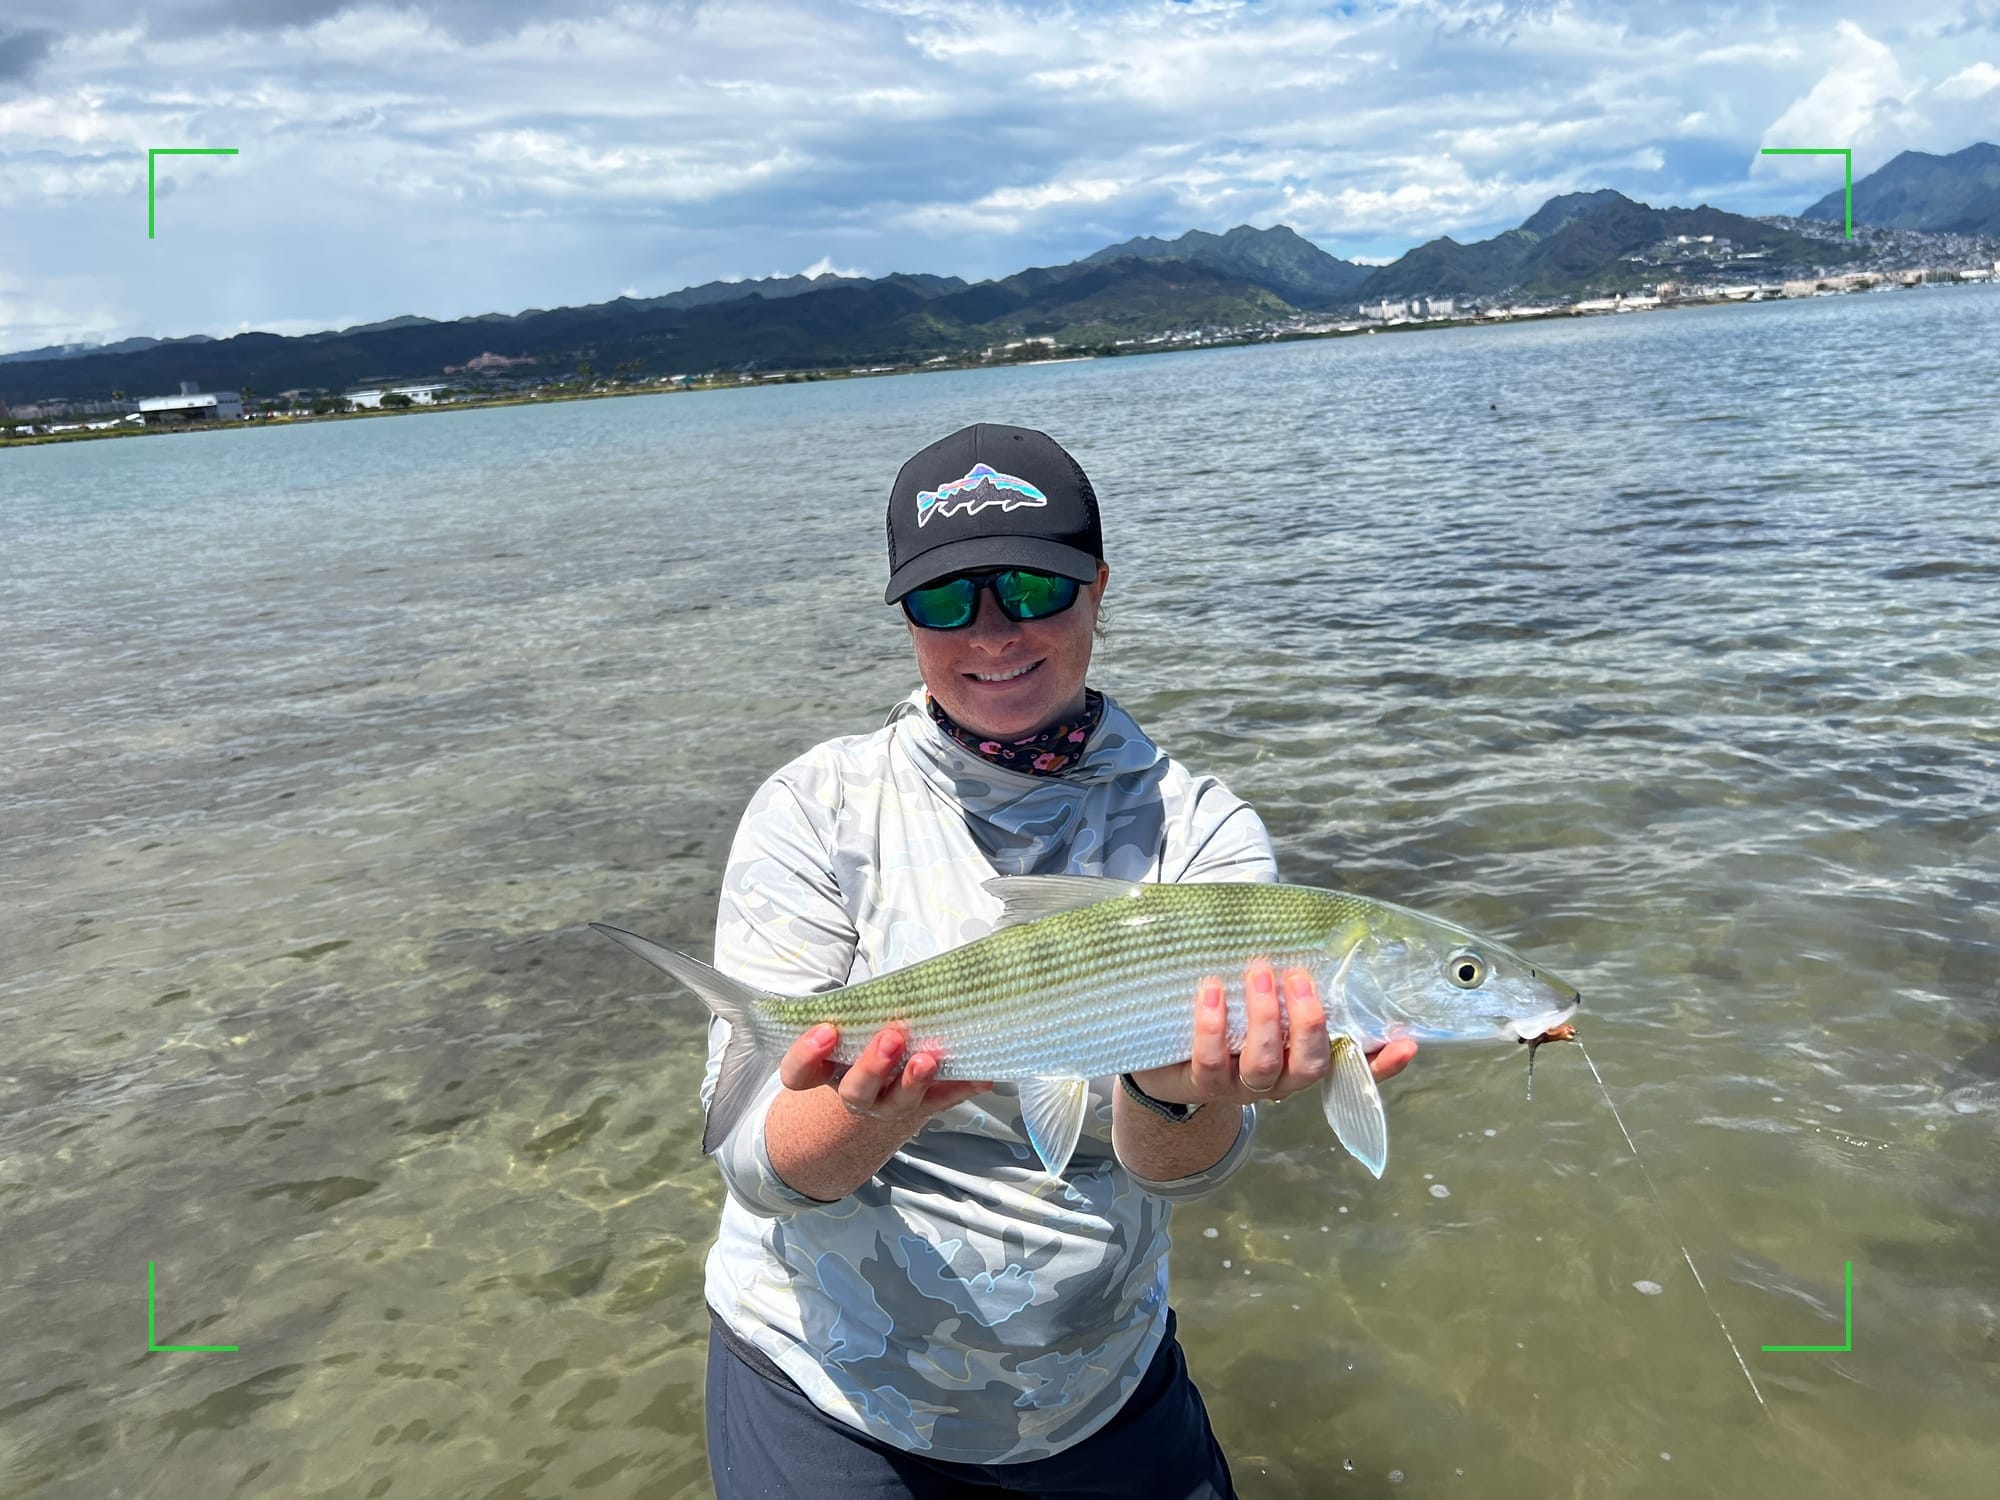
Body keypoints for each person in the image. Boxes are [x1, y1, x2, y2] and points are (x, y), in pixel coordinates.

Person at [700, 422, 1416, 1498]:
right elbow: (763, 1171)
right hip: (827, 1389)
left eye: (1034, 589)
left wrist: (1168, 1084)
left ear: (1096, 587)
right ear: (903, 616)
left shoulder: (1200, 831)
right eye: (945, 601)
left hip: (1099, 1384)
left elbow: (1184, 1171)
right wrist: (921, 1081)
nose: (991, 635)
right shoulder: (816, 810)